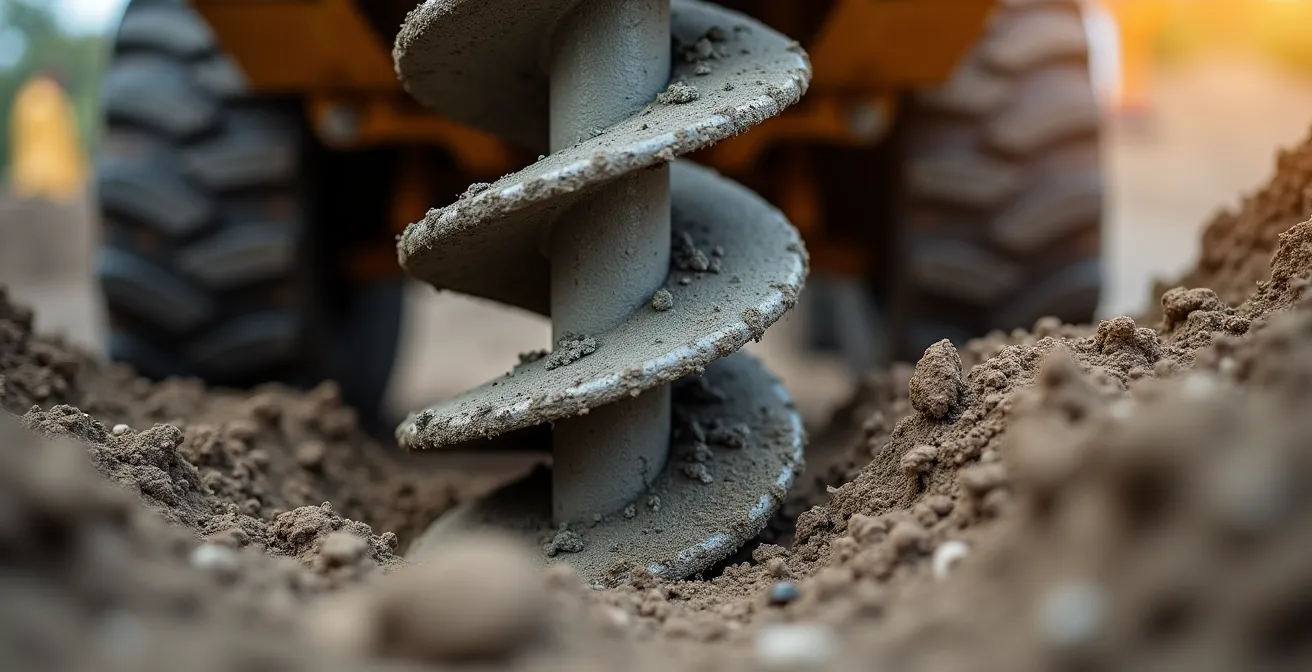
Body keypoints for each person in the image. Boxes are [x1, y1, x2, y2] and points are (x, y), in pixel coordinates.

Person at [8, 72, 87, 202]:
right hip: (55, 177)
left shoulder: (26, 95)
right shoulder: (53, 98)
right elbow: (66, 134)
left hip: (28, 174)